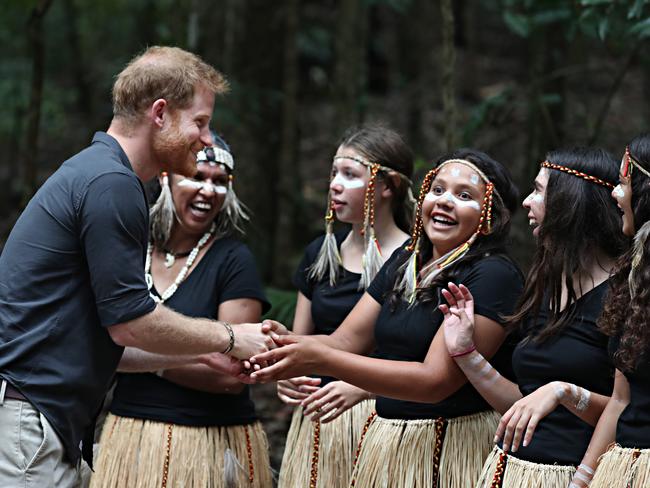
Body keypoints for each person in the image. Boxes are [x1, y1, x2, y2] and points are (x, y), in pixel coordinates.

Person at [0, 46, 281, 488]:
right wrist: (229, 338)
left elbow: (112, 341)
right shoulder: (112, 183)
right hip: (28, 421)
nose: (207, 139)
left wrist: (207, 354)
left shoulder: (100, 173)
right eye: (201, 122)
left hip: (39, 420)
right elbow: (131, 324)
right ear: (160, 113)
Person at [251, 149, 524, 488]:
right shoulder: (406, 259)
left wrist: (322, 358)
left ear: (489, 216)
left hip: (449, 446)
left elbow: (434, 381)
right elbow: (345, 341)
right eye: (437, 190)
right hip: (389, 441)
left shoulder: (493, 275)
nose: (444, 201)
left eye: (464, 195)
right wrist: (283, 342)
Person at [89, 135, 274, 487]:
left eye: (220, 182)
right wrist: (194, 352)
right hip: (128, 435)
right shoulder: (130, 250)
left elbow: (230, 375)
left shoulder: (234, 261)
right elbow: (93, 343)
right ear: (166, 177)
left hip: (211, 444)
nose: (208, 190)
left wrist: (136, 355)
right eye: (197, 176)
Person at [439, 148, 626, 487]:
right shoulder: (545, 286)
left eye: (539, 190)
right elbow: (522, 410)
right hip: (511, 473)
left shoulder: (626, 294)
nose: (526, 201)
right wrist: (466, 354)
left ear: (571, 202)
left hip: (580, 477)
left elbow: (627, 410)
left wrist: (565, 393)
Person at [277, 125, 415, 488]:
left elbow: (417, 359)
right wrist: (286, 376)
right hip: (320, 418)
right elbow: (299, 341)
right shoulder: (319, 255)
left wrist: (366, 390)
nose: (334, 184)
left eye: (350, 175)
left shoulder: (413, 262)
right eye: (334, 174)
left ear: (388, 186)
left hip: (384, 420)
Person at [575, 135, 650, 488]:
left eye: (624, 185)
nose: (616, 196)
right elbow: (621, 399)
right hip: (625, 466)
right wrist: (583, 480)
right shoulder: (634, 277)